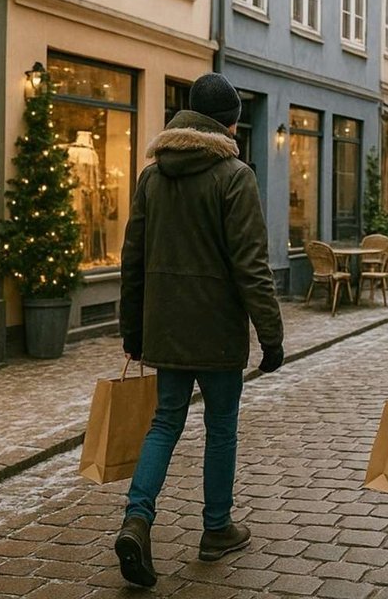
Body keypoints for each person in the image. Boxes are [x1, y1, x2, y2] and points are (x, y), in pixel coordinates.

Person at [114, 73, 285, 588]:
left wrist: (132, 330)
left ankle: (136, 519)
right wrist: (271, 337)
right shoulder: (234, 175)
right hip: (216, 334)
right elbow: (251, 265)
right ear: (228, 122)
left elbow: (132, 259)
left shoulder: (152, 176)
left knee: (164, 423)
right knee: (221, 428)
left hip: (166, 330)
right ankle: (216, 528)